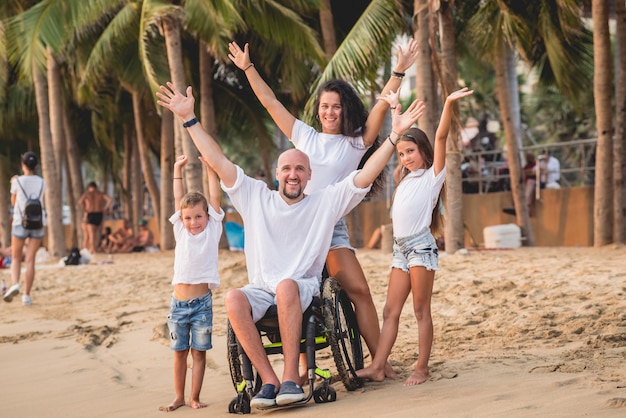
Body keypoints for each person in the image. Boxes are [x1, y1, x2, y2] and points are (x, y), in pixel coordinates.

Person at [156, 81, 423, 408]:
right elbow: (218, 159)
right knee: (234, 298)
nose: (292, 174)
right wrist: (189, 119)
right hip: (263, 287)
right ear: (276, 173)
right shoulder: (254, 196)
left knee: (286, 287)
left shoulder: (323, 202)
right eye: (286, 168)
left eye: (300, 169)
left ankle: (290, 378)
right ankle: (269, 380)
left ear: (310, 175)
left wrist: (395, 136)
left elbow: (366, 174)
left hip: (300, 286)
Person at [228, 39, 419, 378]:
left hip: (330, 227)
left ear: (345, 110)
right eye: (324, 106)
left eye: (336, 107)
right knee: (297, 290)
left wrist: (400, 69)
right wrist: (248, 68)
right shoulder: (305, 136)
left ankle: (380, 363)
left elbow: (379, 109)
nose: (329, 112)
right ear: (317, 109)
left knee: (358, 289)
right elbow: (270, 102)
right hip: (291, 227)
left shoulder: (355, 143)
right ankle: (302, 369)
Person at [356, 87, 474, 387]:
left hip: (421, 248)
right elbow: (398, 132)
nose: (406, 157)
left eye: (411, 151)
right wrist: (395, 109)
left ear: (423, 151)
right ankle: (378, 365)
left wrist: (447, 103)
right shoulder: (404, 179)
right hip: (400, 251)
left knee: (421, 310)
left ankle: (422, 368)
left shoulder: (434, 176)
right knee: (390, 310)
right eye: (402, 153)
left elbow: (441, 137)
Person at [159, 154, 225, 412]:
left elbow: (215, 197)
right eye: (188, 218)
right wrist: (177, 168)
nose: (193, 222)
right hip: (178, 305)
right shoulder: (179, 231)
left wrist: (210, 168)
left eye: (198, 217)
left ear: (207, 216)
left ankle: (194, 396)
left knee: (199, 353)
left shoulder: (212, 230)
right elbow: (179, 199)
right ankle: (178, 397)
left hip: (202, 306)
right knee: (179, 353)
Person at [4, 152, 46, 306]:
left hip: (20, 223)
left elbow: (14, 203)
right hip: (38, 224)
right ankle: (26, 296)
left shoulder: (17, 181)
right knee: (30, 260)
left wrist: (13, 183)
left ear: (23, 165)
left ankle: (15, 284)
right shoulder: (42, 182)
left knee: (16, 258)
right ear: (36, 166)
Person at [78, 181, 112, 254]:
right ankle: (92, 249)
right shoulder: (100, 194)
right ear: (96, 187)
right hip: (99, 213)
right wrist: (105, 208)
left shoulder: (87, 194)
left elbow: (80, 202)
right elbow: (110, 200)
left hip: (90, 213)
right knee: (95, 233)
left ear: (89, 187)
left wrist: (85, 209)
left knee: (91, 234)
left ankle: (93, 250)